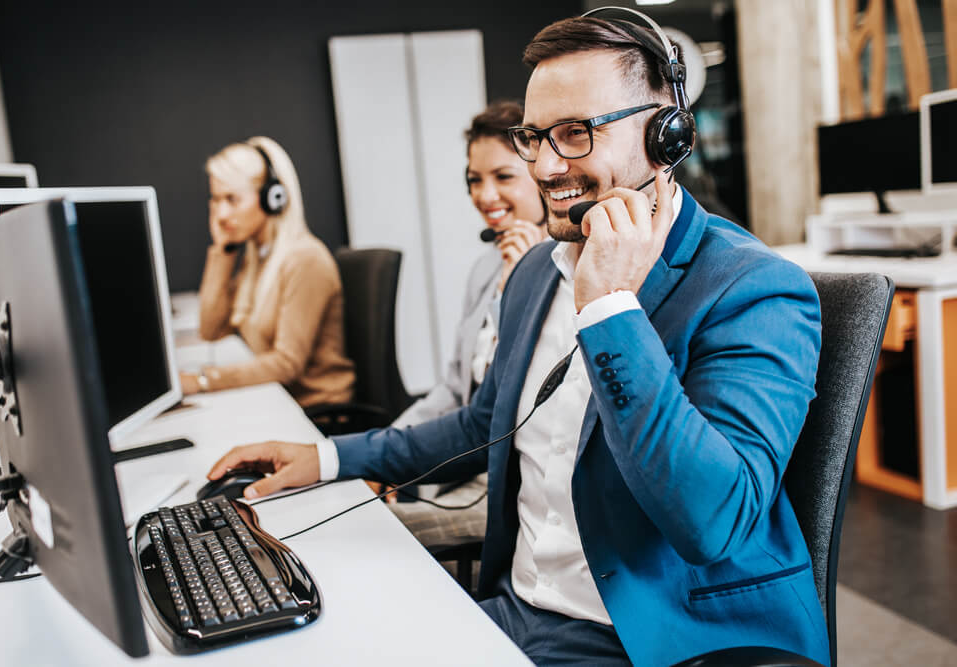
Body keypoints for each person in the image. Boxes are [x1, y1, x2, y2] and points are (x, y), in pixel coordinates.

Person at [207, 13, 829, 667]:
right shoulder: (538, 270)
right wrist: (329, 458)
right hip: (517, 607)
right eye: (536, 138)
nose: (547, 166)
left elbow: (712, 521)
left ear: (665, 135)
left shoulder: (754, 288)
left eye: (574, 134)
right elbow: (481, 423)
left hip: (658, 638)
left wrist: (612, 309)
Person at [388, 101, 547, 546]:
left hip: (518, 486)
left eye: (503, 176)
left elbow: (521, 398)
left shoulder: (568, 270)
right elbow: (454, 389)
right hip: (465, 466)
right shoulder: (485, 267)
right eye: (474, 180)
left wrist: (521, 282)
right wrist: (385, 453)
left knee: (387, 538)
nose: (485, 195)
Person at [180, 137, 355, 409]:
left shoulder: (304, 259)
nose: (222, 213)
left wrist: (203, 381)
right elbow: (211, 329)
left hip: (316, 411)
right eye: (216, 200)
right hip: (281, 401)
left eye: (232, 199)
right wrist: (223, 250)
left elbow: (287, 363)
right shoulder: (258, 259)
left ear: (272, 198)